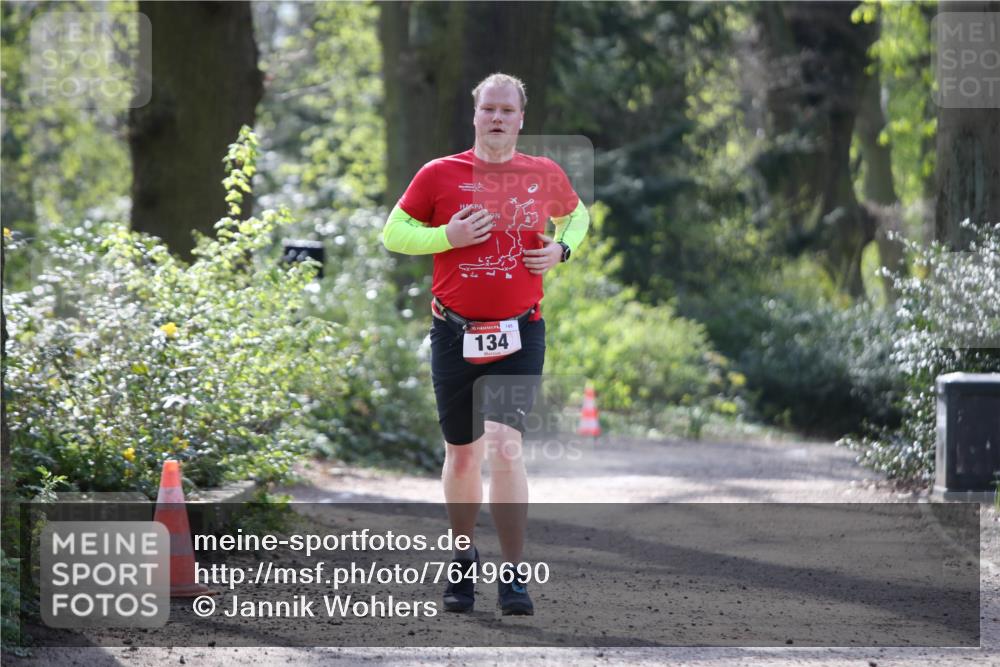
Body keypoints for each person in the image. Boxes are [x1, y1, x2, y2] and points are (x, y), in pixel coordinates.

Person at [382, 73, 589, 615]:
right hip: (453, 332)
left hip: (521, 331)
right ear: (474, 116)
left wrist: (561, 250)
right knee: (463, 454)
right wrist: (446, 237)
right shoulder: (439, 174)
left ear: (522, 118)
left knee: (503, 444)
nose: (497, 118)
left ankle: (515, 573)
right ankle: (462, 554)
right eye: (488, 109)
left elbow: (578, 216)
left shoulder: (543, 173)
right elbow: (394, 234)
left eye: (507, 110)